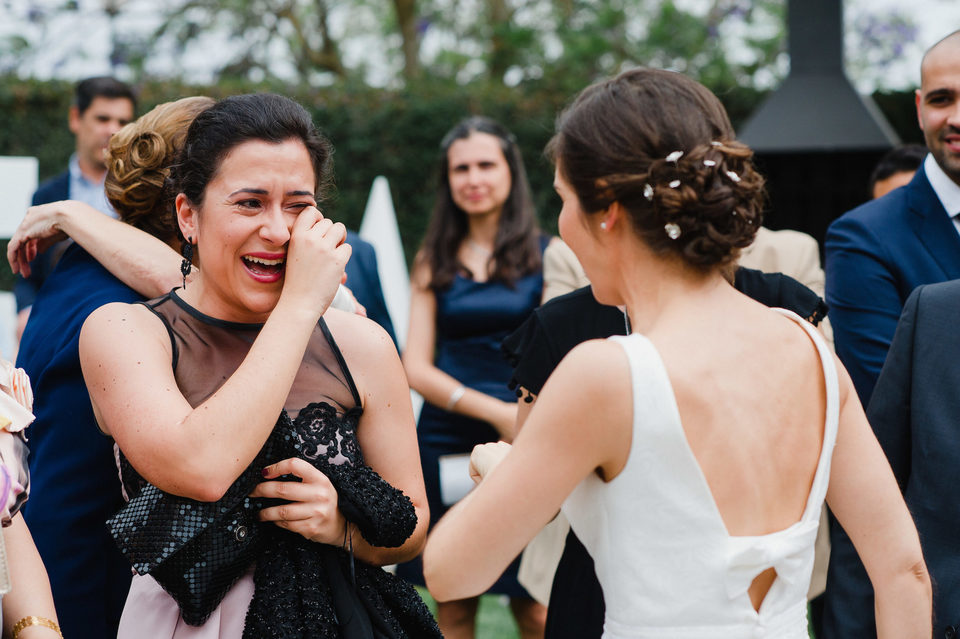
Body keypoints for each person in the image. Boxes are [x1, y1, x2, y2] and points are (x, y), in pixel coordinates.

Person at [421, 67, 931, 637]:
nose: (561, 226)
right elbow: (904, 571)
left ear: (607, 209)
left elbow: (450, 572)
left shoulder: (605, 374)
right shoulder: (812, 352)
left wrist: (501, 471)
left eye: (564, 199)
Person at [77, 93, 438, 638]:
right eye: (250, 203)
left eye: (297, 206)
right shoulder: (124, 331)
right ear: (188, 216)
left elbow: (412, 527)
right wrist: (299, 305)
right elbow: (201, 469)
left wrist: (341, 528)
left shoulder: (362, 345)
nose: (278, 230)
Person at [11, 96, 214, 639]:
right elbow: (196, 289)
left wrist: (74, 215)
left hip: (46, 543)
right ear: (189, 206)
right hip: (90, 571)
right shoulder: (141, 300)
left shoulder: (82, 263)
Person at [823, 29, 960, 637]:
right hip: (934, 565)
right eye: (942, 99)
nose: (956, 118)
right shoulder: (865, 236)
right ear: (919, 107)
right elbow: (893, 410)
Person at [398, 116, 549, 638]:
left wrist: (517, 418)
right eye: (461, 168)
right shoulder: (432, 259)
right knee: (454, 599)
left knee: (535, 604)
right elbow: (414, 365)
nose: (473, 178)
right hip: (446, 437)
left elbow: (558, 355)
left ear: (510, 172)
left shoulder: (549, 255)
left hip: (527, 434)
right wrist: (492, 411)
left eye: (486, 164)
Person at [14, 76, 136, 338]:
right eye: (103, 119)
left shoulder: (140, 193)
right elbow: (28, 276)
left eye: (123, 122)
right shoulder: (47, 195)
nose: (113, 130)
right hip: (57, 323)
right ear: (75, 118)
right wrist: (26, 311)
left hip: (125, 324)